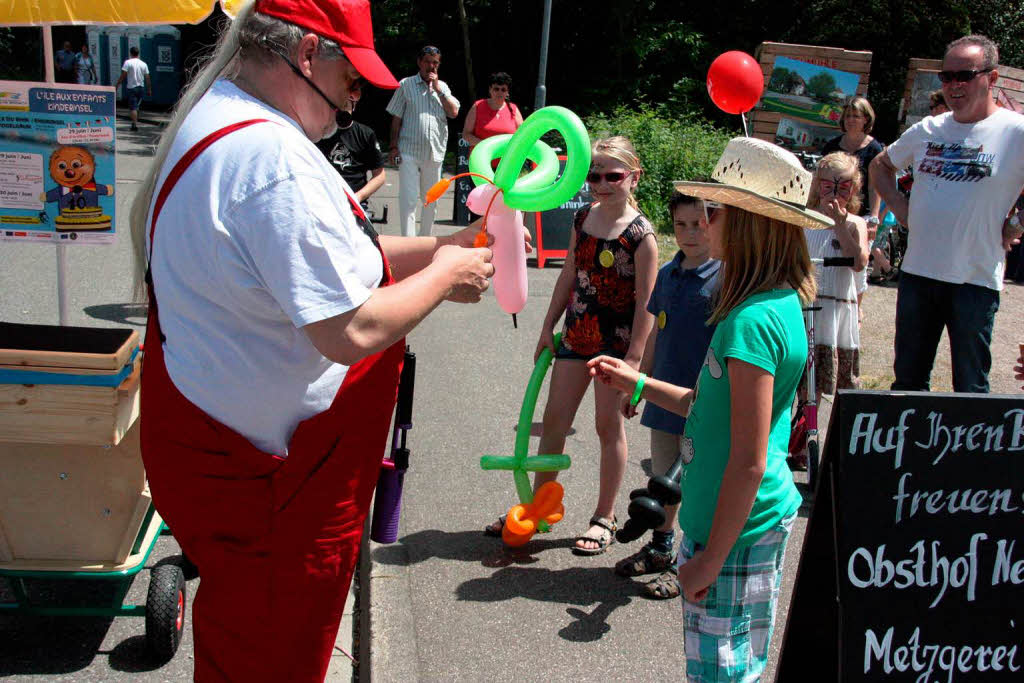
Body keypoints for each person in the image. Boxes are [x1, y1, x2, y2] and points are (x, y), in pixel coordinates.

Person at [128, 1, 502, 678]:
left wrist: (442, 246)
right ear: (307, 55)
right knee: (269, 659)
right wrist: (447, 273)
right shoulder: (272, 158)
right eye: (351, 81)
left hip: (218, 461)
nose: (353, 104)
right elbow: (350, 326)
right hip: (272, 489)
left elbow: (326, 256)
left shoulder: (219, 115)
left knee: (240, 643)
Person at [588, 136, 827, 682]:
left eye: (714, 211)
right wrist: (640, 380)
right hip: (736, 517)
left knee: (720, 673)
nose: (704, 220)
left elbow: (747, 458)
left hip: (733, 526)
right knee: (737, 663)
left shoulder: (749, 322)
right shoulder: (775, 299)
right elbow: (710, 406)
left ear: (747, 223)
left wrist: (708, 560)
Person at [484, 136, 657, 555]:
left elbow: (648, 304)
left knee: (606, 426)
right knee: (554, 419)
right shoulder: (582, 218)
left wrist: (635, 360)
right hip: (577, 337)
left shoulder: (642, 235)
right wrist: (548, 325)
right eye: (593, 175)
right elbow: (568, 277)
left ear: (633, 177)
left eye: (612, 176)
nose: (601, 183)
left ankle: (604, 516)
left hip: (614, 349)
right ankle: (538, 507)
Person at [870, 34, 1024, 393]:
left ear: (992, 78)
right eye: (946, 76)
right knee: (908, 382)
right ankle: (908, 448)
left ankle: (968, 452)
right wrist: (900, 208)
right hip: (919, 275)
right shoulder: (929, 129)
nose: (954, 85)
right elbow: (881, 166)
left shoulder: (1015, 131)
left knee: (970, 387)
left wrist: (1016, 223)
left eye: (965, 75)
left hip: (975, 279)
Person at [614, 191, 719, 599]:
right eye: (681, 225)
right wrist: (640, 382)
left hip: (703, 404)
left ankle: (689, 562)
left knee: (696, 485)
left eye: (700, 224)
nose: (690, 233)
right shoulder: (669, 275)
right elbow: (659, 330)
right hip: (662, 400)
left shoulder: (724, 277)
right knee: (663, 481)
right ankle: (661, 549)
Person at [789, 152, 869, 470]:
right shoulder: (803, 219)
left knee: (828, 382)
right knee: (801, 380)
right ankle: (797, 440)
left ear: (854, 189)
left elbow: (859, 261)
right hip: (805, 306)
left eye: (843, 187)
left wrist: (838, 224)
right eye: (827, 186)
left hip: (835, 312)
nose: (834, 194)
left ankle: (826, 442)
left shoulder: (854, 223)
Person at [386, 45, 460, 237]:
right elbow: (396, 117)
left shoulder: (442, 87)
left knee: (430, 200)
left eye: (435, 62)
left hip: (434, 152)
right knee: (409, 199)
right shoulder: (406, 85)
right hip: (408, 150)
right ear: (419, 62)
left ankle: (424, 241)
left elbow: (453, 112)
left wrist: (438, 91)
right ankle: (408, 243)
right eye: (427, 61)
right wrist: (393, 147)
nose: (431, 66)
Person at [822, 97, 882, 313]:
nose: (850, 120)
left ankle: (855, 310)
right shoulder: (832, 146)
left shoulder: (875, 148)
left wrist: (873, 218)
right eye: (847, 115)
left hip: (861, 213)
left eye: (855, 116)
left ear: (866, 119)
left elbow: (876, 187)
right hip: (832, 211)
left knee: (859, 264)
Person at [316, 98, 386, 204]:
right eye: (338, 105)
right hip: (324, 199)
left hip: (355, 201)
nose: (342, 110)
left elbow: (380, 175)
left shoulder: (365, 134)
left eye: (346, 105)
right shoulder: (319, 133)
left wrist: (358, 197)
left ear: (354, 106)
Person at [461, 71, 524, 152]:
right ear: (490, 89)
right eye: (496, 89)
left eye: (503, 89)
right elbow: (466, 134)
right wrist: (487, 145)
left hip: (507, 161)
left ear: (507, 92)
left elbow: (523, 135)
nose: (499, 92)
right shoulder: (477, 106)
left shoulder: (514, 109)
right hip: (481, 159)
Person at [114, 46, 152, 131]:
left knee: (133, 107)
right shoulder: (143, 64)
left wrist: (117, 84)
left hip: (132, 88)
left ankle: (134, 125)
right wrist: (149, 89)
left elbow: (123, 75)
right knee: (137, 106)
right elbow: (147, 78)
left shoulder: (128, 63)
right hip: (141, 88)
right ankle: (134, 121)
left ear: (130, 53)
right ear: (138, 54)